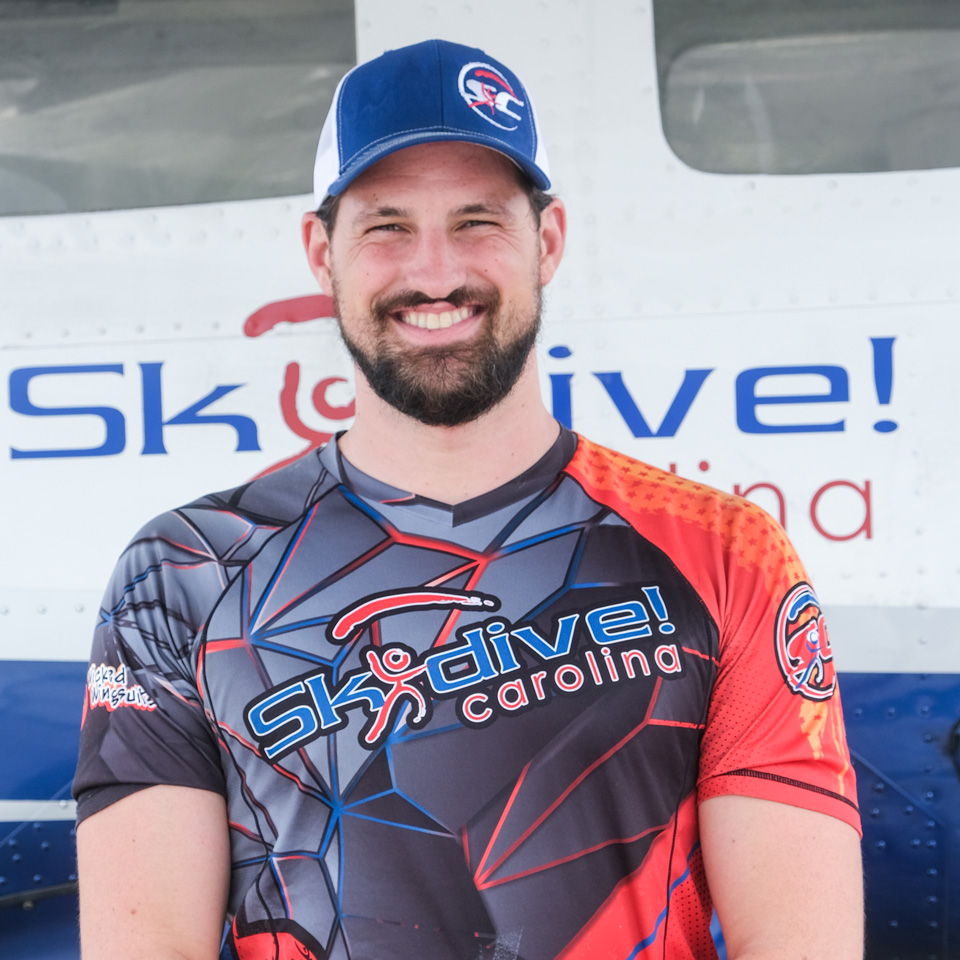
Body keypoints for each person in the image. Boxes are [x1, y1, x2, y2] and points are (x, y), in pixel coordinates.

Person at [74, 38, 863, 960]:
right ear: (320, 250)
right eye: (387, 226)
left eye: (479, 221)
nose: (436, 271)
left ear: (549, 242)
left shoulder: (727, 553)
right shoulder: (181, 576)